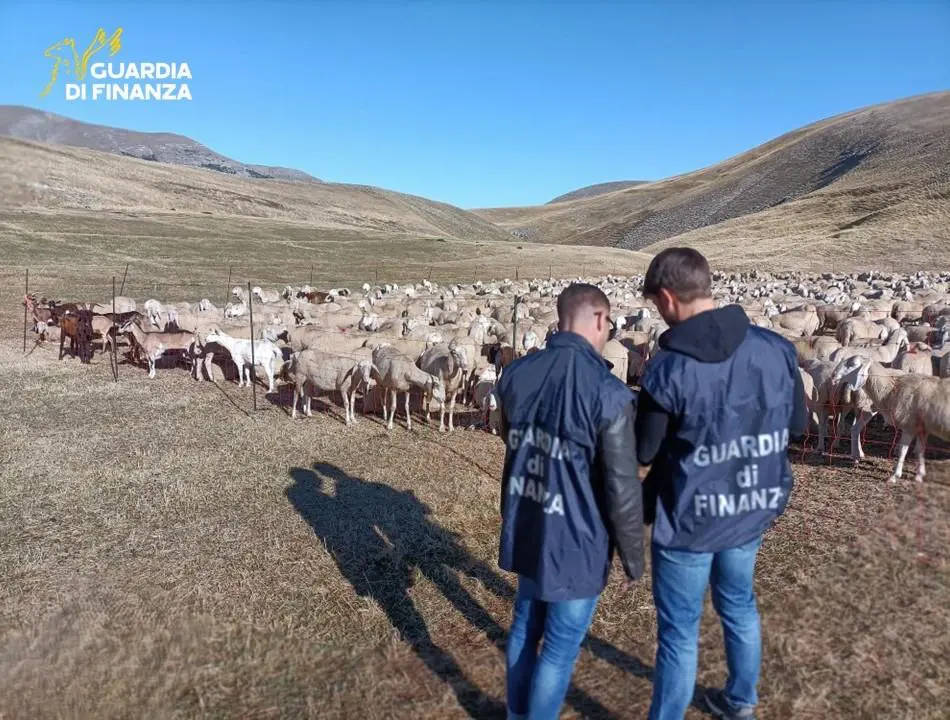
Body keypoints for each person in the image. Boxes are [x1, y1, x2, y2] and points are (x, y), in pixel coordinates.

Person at [635, 248, 808, 720]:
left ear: (667, 298)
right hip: (751, 505)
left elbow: (642, 451)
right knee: (738, 605)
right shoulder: (776, 349)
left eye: (655, 305)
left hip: (690, 519)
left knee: (679, 631)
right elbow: (796, 425)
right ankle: (740, 701)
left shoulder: (667, 369)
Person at [494, 283, 645, 720]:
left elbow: (511, 438)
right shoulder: (611, 394)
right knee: (559, 649)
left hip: (528, 517)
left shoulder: (516, 374)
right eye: (609, 325)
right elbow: (621, 485)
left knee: (525, 627)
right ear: (599, 320)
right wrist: (633, 557)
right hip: (579, 539)